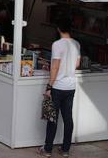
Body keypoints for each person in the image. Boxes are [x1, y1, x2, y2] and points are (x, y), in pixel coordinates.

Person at [38, 17, 81, 158]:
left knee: (52, 117)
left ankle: (48, 149)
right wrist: (67, 67)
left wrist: (49, 86)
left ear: (58, 29)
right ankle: (65, 149)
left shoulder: (57, 44)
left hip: (58, 86)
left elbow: (55, 67)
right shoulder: (76, 44)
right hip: (71, 86)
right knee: (68, 118)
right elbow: (77, 64)